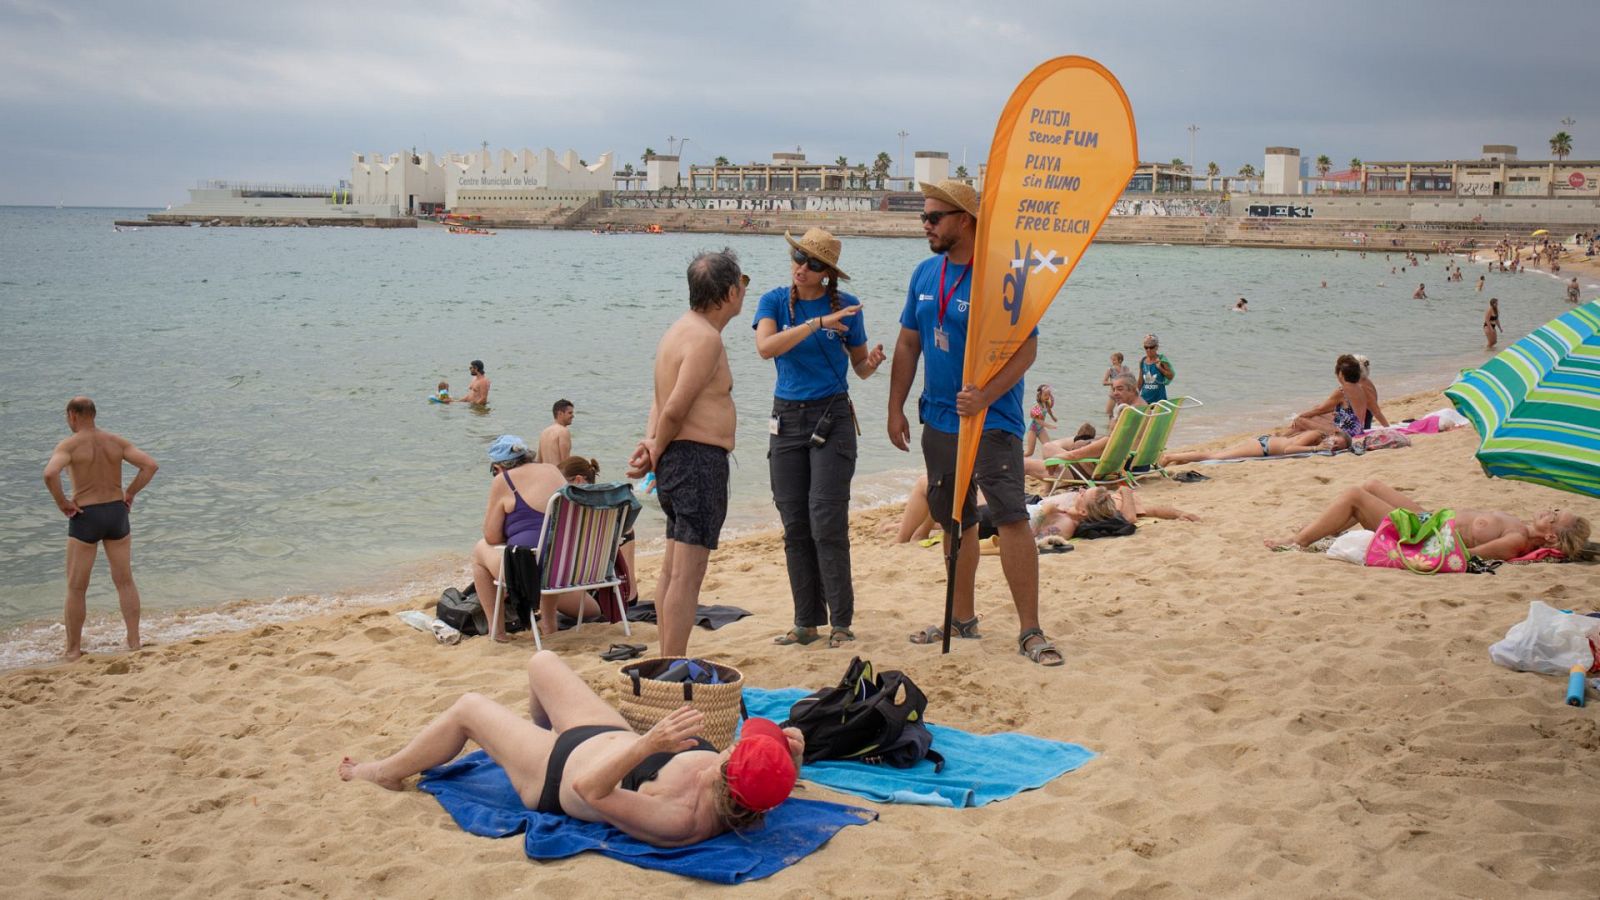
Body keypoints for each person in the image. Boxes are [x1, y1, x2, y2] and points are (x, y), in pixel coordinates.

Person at [340, 650, 801, 847]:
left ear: (728, 772)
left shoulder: (680, 819)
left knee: (469, 708)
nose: (738, 743)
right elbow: (769, 784)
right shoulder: (747, 791)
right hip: (604, 735)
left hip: (556, 773)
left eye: (741, 748)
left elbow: (591, 789)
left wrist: (647, 744)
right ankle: (530, 735)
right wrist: (791, 755)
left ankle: (383, 772)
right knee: (542, 662)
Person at [885, 178, 1063, 667]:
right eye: (924, 216)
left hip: (992, 418)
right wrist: (895, 405)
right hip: (939, 417)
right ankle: (960, 618)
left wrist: (985, 393)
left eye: (933, 217)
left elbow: (1027, 348)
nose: (925, 225)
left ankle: (1031, 630)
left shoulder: (999, 275)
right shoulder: (925, 274)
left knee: (1009, 517)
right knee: (953, 518)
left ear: (964, 220)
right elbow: (907, 343)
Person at [753, 228, 884, 649]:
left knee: (826, 520)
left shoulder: (846, 307)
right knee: (795, 525)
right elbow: (767, 347)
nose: (801, 268)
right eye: (797, 256)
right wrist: (816, 324)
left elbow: (859, 368)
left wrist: (873, 363)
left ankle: (841, 623)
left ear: (828, 273)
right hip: (787, 420)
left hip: (832, 418)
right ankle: (805, 623)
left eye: (812, 263)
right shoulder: (774, 300)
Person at [626, 249, 745, 657]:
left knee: (673, 569)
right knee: (687, 576)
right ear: (730, 292)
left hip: (679, 459)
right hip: (695, 462)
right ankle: (671, 661)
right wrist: (657, 445)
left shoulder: (678, 330)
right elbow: (675, 404)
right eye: (742, 284)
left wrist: (651, 446)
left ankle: (666, 657)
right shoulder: (705, 339)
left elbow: (659, 402)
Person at [41, 397, 159, 660]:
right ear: (93, 414)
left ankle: (72, 650)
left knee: (76, 587)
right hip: (116, 513)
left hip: (87, 516)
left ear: (73, 415)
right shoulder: (115, 441)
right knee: (125, 581)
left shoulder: (69, 445)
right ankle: (134, 641)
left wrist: (62, 503)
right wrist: (129, 492)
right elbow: (150, 465)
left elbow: (50, 474)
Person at [1263, 479, 1590, 560]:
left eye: (1557, 517)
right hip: (1430, 518)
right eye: (1557, 509)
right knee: (1371, 486)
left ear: (1550, 537)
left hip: (1425, 534)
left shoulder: (1517, 540)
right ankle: (1320, 531)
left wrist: (1417, 553)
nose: (1551, 510)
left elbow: (1468, 557)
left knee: (1354, 496)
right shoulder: (1519, 523)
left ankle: (1299, 541)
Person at [469, 436, 597, 640]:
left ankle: (498, 632)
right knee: (592, 609)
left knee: (479, 550)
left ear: (499, 466)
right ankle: (549, 622)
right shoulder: (552, 470)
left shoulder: (504, 480)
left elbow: (491, 537)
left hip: (530, 572)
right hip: (567, 567)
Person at [558, 456, 637, 604]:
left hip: (594, 598)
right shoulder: (610, 512)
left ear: (578, 480)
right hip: (623, 596)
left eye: (560, 481)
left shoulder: (572, 515)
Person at [1032, 485, 1199, 539]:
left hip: (1033, 507)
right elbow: (1153, 510)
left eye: (1083, 493)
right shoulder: (1096, 504)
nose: (1081, 489)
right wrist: (1178, 513)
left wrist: (1125, 491)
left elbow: (1132, 517)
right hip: (1036, 503)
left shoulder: (1116, 507)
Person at [1290, 355, 1382, 438]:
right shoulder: (1359, 388)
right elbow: (1327, 409)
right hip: (1357, 429)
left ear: (1341, 374)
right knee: (1315, 416)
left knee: (1300, 420)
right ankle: (1285, 438)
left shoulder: (1342, 391)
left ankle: (1284, 439)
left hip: (1346, 434)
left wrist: (1299, 416)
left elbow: (1321, 409)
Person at [1162, 429, 1349, 465]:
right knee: (1216, 456)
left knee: (1218, 454)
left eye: (1337, 447)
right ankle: (1170, 457)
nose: (1333, 446)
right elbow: (1287, 450)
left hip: (1264, 444)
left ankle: (1176, 459)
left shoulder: (1317, 440)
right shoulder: (1316, 435)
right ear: (1333, 434)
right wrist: (1316, 449)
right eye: (1336, 441)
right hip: (1262, 447)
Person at [1138, 334, 1174, 405]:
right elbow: (1140, 381)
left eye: (1151, 347)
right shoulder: (1142, 361)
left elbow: (1170, 376)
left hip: (1159, 401)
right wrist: (1134, 396)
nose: (1148, 350)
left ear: (1156, 347)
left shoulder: (1161, 360)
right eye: (1146, 347)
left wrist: (1160, 368)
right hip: (1144, 400)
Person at [1024, 383, 1058, 457]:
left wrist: (1053, 417)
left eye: (1048, 395)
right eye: (1045, 395)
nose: (1047, 397)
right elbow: (1038, 420)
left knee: (1049, 447)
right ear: (1040, 395)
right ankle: (1017, 459)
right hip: (1032, 429)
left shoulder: (1046, 403)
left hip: (1040, 429)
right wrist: (1049, 426)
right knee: (1030, 452)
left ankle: (1047, 464)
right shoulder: (1037, 407)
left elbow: (1049, 410)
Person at [539, 399, 575, 464]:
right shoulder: (563, 431)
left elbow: (539, 460)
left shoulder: (544, 432)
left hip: (545, 472)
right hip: (557, 473)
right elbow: (565, 462)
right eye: (570, 413)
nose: (573, 416)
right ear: (560, 414)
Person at [1102, 352, 1132, 419]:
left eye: (1114, 360)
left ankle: (1120, 423)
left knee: (1123, 411)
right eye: (1112, 360)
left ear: (1120, 360)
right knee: (1108, 412)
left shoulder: (1125, 368)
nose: (1113, 362)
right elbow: (1104, 382)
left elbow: (1130, 379)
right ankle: (1110, 426)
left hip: (1123, 394)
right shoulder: (1110, 370)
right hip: (1113, 393)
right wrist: (1113, 383)